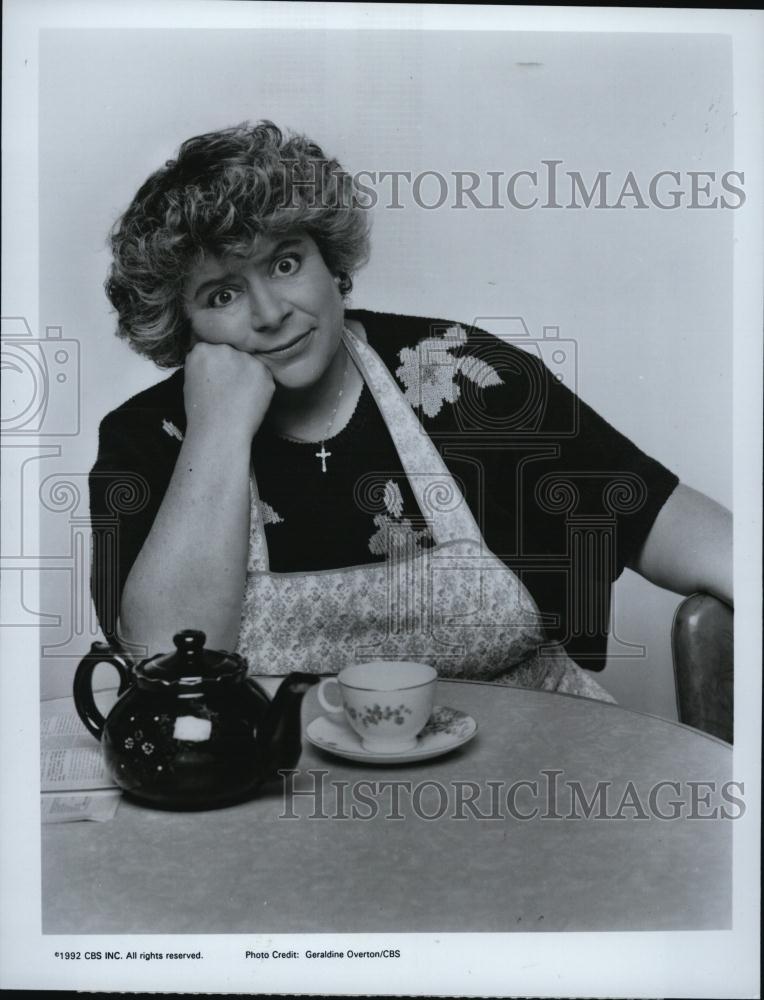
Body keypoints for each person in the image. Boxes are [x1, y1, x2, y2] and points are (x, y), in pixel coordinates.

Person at [89, 121, 732, 702]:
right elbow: (165, 662)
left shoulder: (458, 372)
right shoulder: (148, 439)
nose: (269, 313)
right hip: (283, 786)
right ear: (179, 321)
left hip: (536, 769)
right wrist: (218, 430)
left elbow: (656, 518)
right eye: (222, 295)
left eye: (285, 263)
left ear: (330, 259)